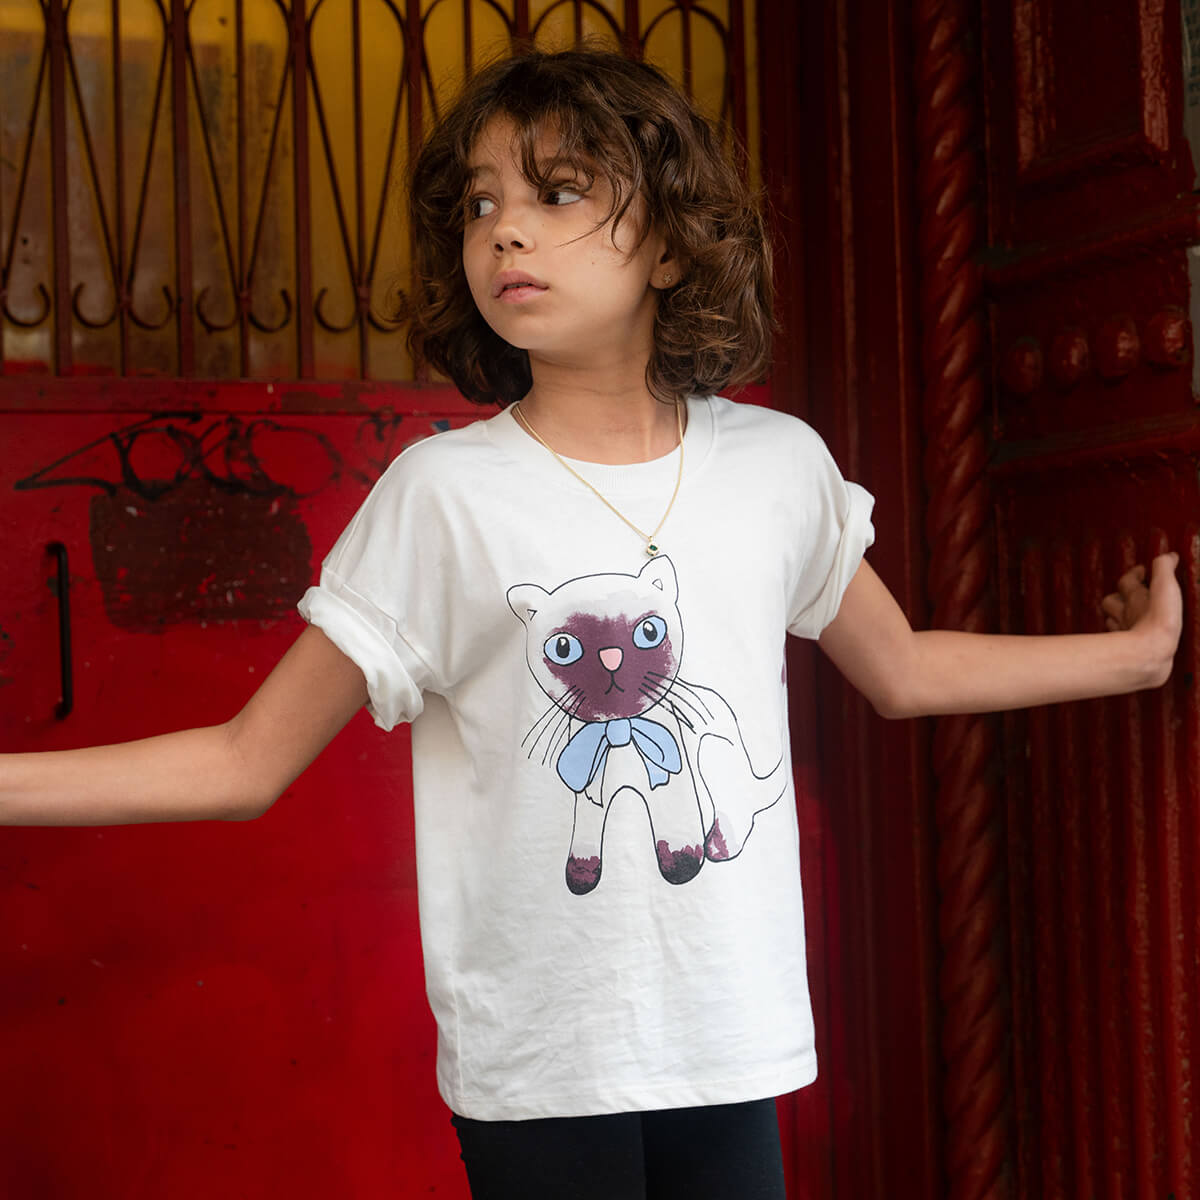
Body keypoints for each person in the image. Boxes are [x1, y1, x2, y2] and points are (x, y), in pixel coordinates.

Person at [0, 47, 1182, 1200]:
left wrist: (1134, 656)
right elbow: (243, 762)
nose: (505, 232)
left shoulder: (778, 467)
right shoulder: (442, 495)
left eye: (558, 193)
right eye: (481, 205)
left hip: (728, 1037)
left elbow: (904, 667)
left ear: (670, 245)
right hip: (540, 1062)